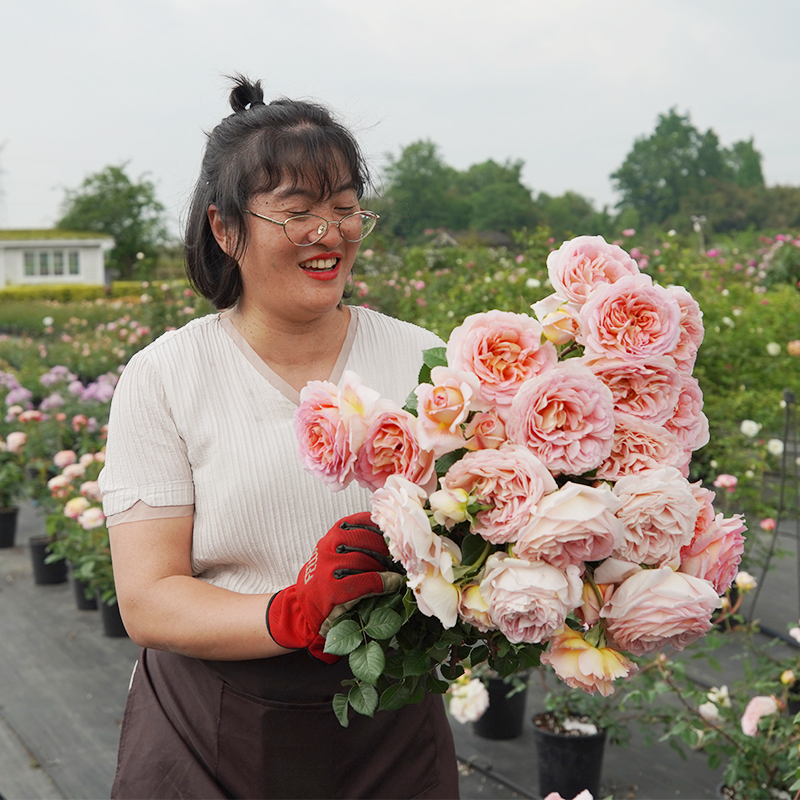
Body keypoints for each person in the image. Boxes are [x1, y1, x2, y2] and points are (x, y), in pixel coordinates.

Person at [98, 75, 460, 799]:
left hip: (386, 718)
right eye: (297, 213)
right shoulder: (168, 375)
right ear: (225, 230)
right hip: (214, 722)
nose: (329, 234)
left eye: (345, 208)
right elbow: (148, 598)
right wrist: (290, 610)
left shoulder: (424, 361)